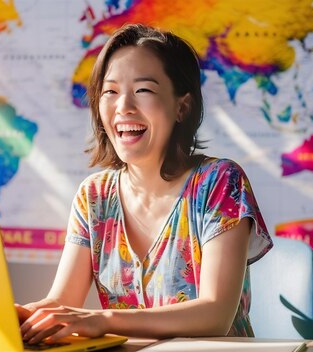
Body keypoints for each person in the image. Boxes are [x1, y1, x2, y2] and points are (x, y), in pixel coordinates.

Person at [16, 23, 273, 344]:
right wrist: (25, 316)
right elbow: (62, 302)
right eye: (110, 91)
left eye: (144, 90)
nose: (123, 106)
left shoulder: (220, 182)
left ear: (183, 106)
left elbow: (215, 314)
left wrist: (102, 319)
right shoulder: (93, 196)